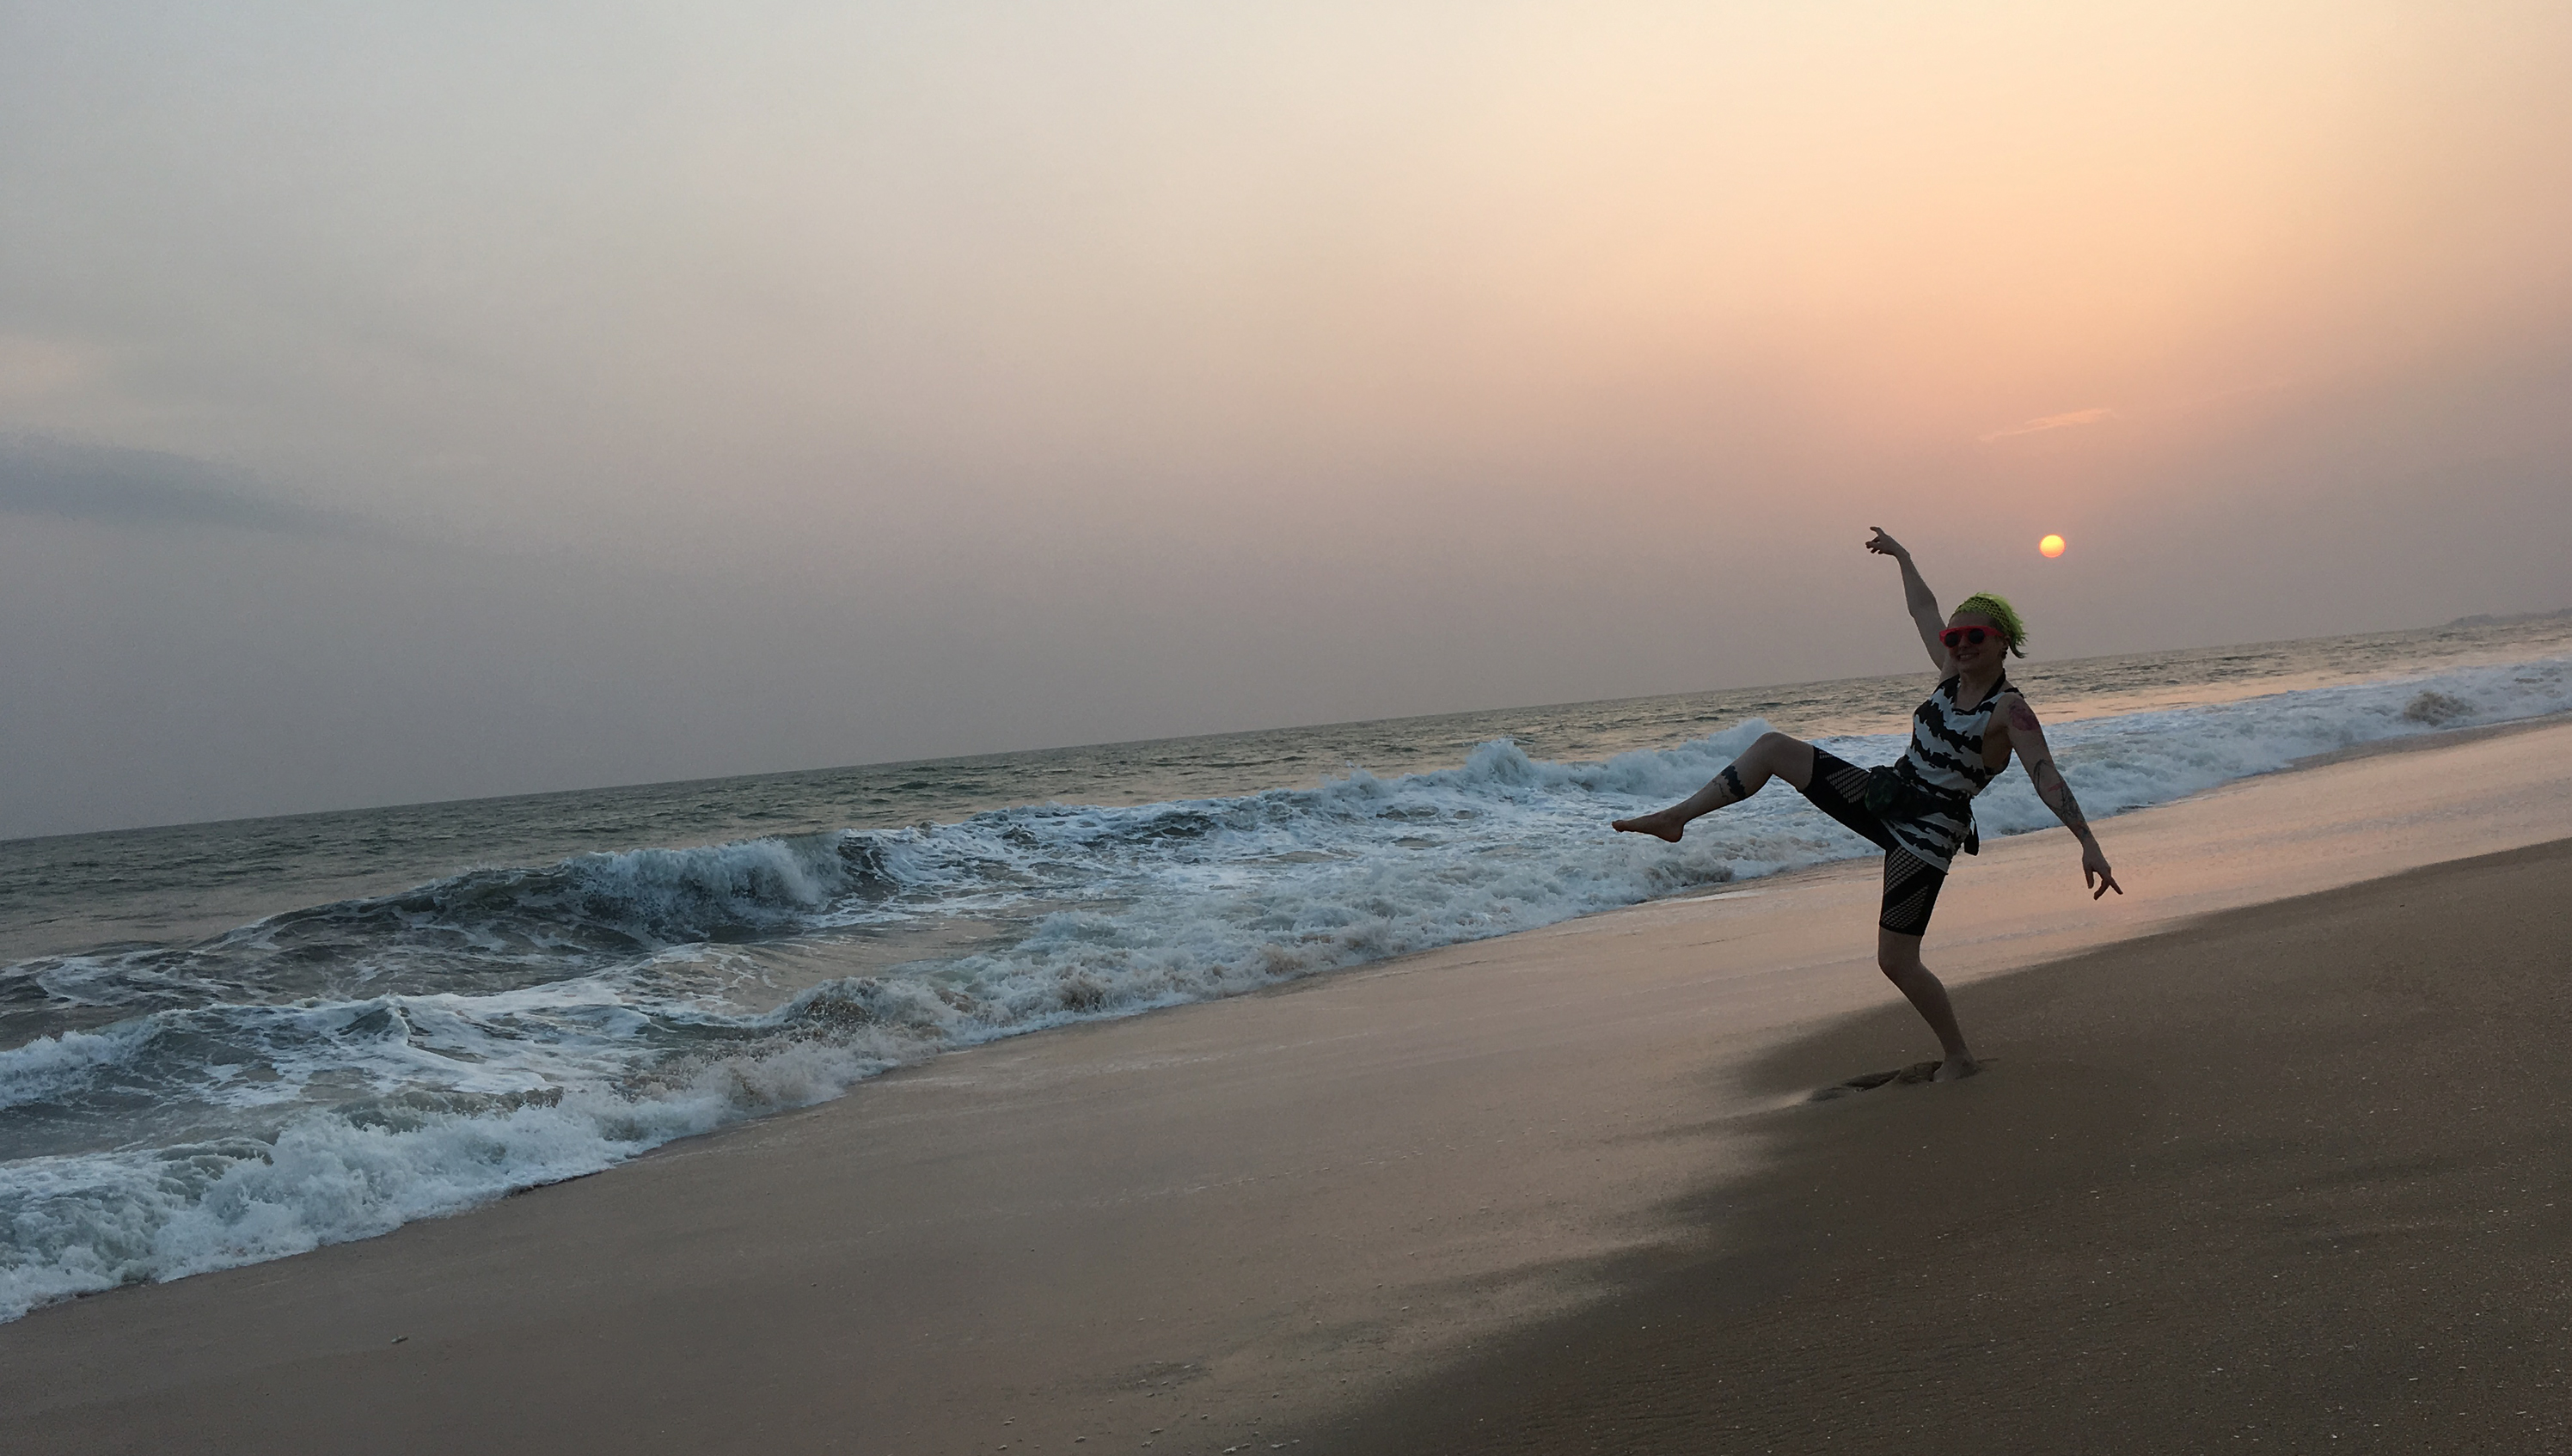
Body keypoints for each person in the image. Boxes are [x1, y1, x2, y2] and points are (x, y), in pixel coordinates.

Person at [1612, 527, 2122, 1080]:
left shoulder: (2010, 712)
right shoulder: (1949, 677)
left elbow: (2045, 775)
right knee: (1774, 748)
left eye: (1976, 635)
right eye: (1955, 638)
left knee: (1896, 961)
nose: (1961, 645)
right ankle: (1675, 818)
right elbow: (1924, 610)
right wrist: (1903, 557)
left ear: (2003, 642)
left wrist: (2088, 842)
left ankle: (1959, 1056)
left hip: (1927, 832)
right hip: (1884, 797)